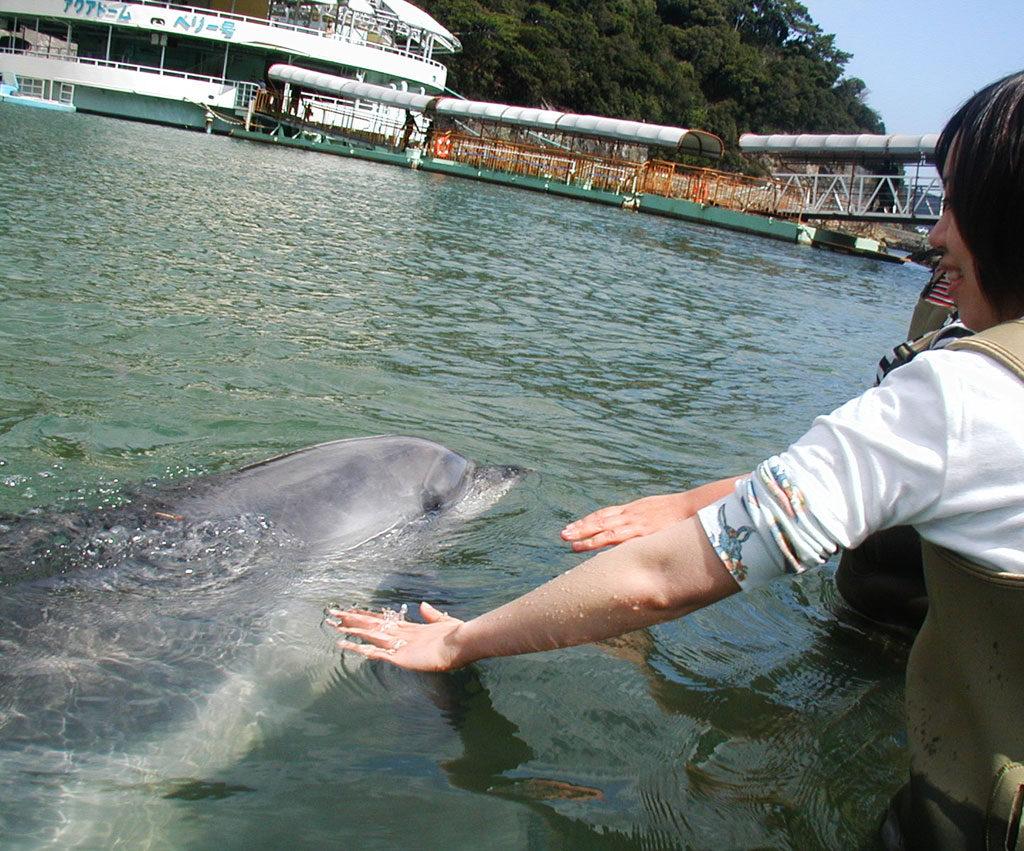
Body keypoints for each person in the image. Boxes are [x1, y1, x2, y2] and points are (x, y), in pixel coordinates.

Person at [329, 70, 1024, 851]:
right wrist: (706, 498)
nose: (933, 233)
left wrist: (456, 641)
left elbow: (664, 578)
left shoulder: (966, 391)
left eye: (959, 204)